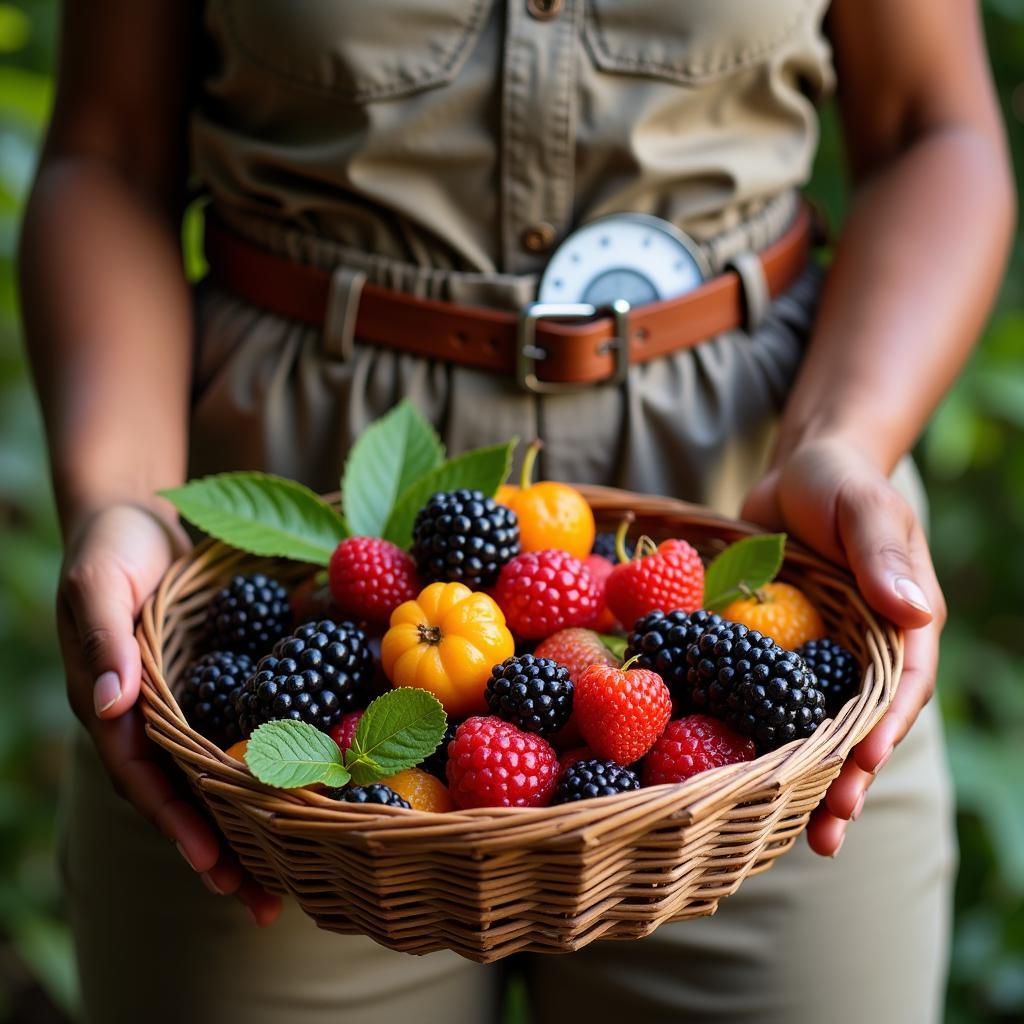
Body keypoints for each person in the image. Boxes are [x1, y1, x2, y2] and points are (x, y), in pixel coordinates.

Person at [19, 2, 1013, 1022]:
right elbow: (110, 150)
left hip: (750, 537)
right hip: (299, 605)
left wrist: (841, 440)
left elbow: (931, 131)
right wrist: (123, 496)